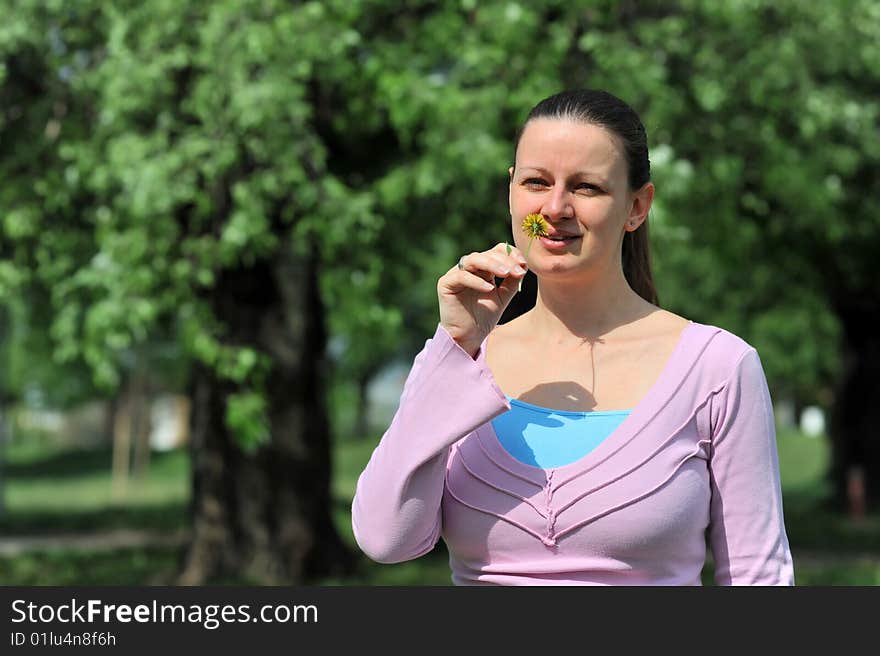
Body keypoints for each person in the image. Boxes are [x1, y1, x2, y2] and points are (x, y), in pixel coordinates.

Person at [351, 88, 795, 585]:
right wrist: (454, 348)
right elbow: (386, 539)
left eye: (586, 188)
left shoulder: (718, 368)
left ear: (637, 206)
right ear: (512, 192)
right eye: (537, 182)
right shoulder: (462, 360)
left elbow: (760, 574)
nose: (556, 207)